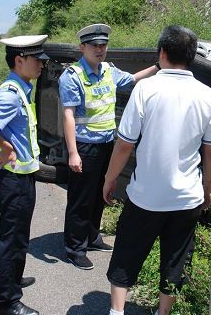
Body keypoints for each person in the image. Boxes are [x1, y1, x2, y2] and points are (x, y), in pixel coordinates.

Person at [103, 25, 211, 315]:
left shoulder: (146, 87)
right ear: (192, 56)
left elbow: (124, 144)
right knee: (176, 258)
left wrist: (109, 178)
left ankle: (117, 312)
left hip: (145, 196)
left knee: (127, 251)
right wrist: (207, 190)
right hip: (187, 198)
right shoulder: (206, 94)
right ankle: (162, 312)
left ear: (162, 52)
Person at [58, 23, 158, 270]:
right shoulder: (72, 77)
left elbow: (131, 79)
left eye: (103, 45)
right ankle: (75, 248)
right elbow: (68, 115)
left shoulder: (109, 71)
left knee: (99, 195)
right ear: (83, 47)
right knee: (80, 199)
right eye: (94, 45)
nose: (100, 50)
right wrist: (72, 152)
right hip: (84, 146)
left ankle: (92, 237)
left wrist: (157, 67)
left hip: (106, 144)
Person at [0, 35, 49, 315]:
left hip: (21, 178)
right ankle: (7, 302)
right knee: (14, 240)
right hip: (13, 181)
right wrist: (5, 145)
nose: (42, 64)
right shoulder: (10, 93)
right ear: (20, 61)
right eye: (36, 60)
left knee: (19, 237)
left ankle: (12, 280)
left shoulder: (22, 87)